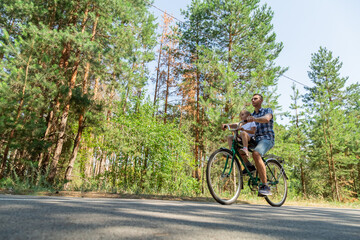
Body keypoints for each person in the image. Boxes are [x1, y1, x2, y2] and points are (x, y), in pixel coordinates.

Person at [222, 94, 274, 196]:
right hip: (254, 140)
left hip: (266, 138)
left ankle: (265, 186)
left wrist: (254, 119)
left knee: (256, 154)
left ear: (261, 100)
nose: (253, 100)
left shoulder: (267, 110)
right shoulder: (250, 115)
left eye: (255, 98)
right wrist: (227, 125)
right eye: (252, 99)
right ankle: (249, 166)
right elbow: (239, 123)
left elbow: (266, 119)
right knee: (235, 144)